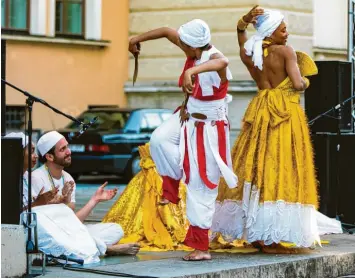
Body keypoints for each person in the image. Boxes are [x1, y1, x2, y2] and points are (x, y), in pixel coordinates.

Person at [210, 6, 342, 253]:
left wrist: (244, 22)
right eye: (283, 29)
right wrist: (306, 78)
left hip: (261, 111)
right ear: (271, 32)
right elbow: (297, 84)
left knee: (256, 167)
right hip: (285, 114)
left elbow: (240, 36)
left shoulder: (250, 54)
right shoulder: (286, 52)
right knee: (282, 167)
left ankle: (257, 231)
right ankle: (271, 237)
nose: (287, 33)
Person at [129, 19, 238, 261]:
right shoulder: (192, 48)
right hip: (186, 117)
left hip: (209, 129)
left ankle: (201, 248)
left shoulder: (214, 57)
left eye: (184, 44)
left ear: (194, 47)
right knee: (158, 140)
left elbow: (224, 62)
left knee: (201, 186)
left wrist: (191, 71)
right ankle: (172, 187)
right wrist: (135, 39)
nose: (181, 45)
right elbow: (167, 31)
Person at [30, 131, 140, 258]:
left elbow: (74, 222)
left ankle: (88, 245)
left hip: (71, 232)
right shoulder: (36, 178)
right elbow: (40, 224)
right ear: (49, 156)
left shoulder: (68, 179)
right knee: (58, 240)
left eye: (67, 147)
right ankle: (107, 249)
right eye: (63, 149)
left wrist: (95, 199)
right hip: (52, 234)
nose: (69, 152)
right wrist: (60, 202)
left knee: (116, 230)